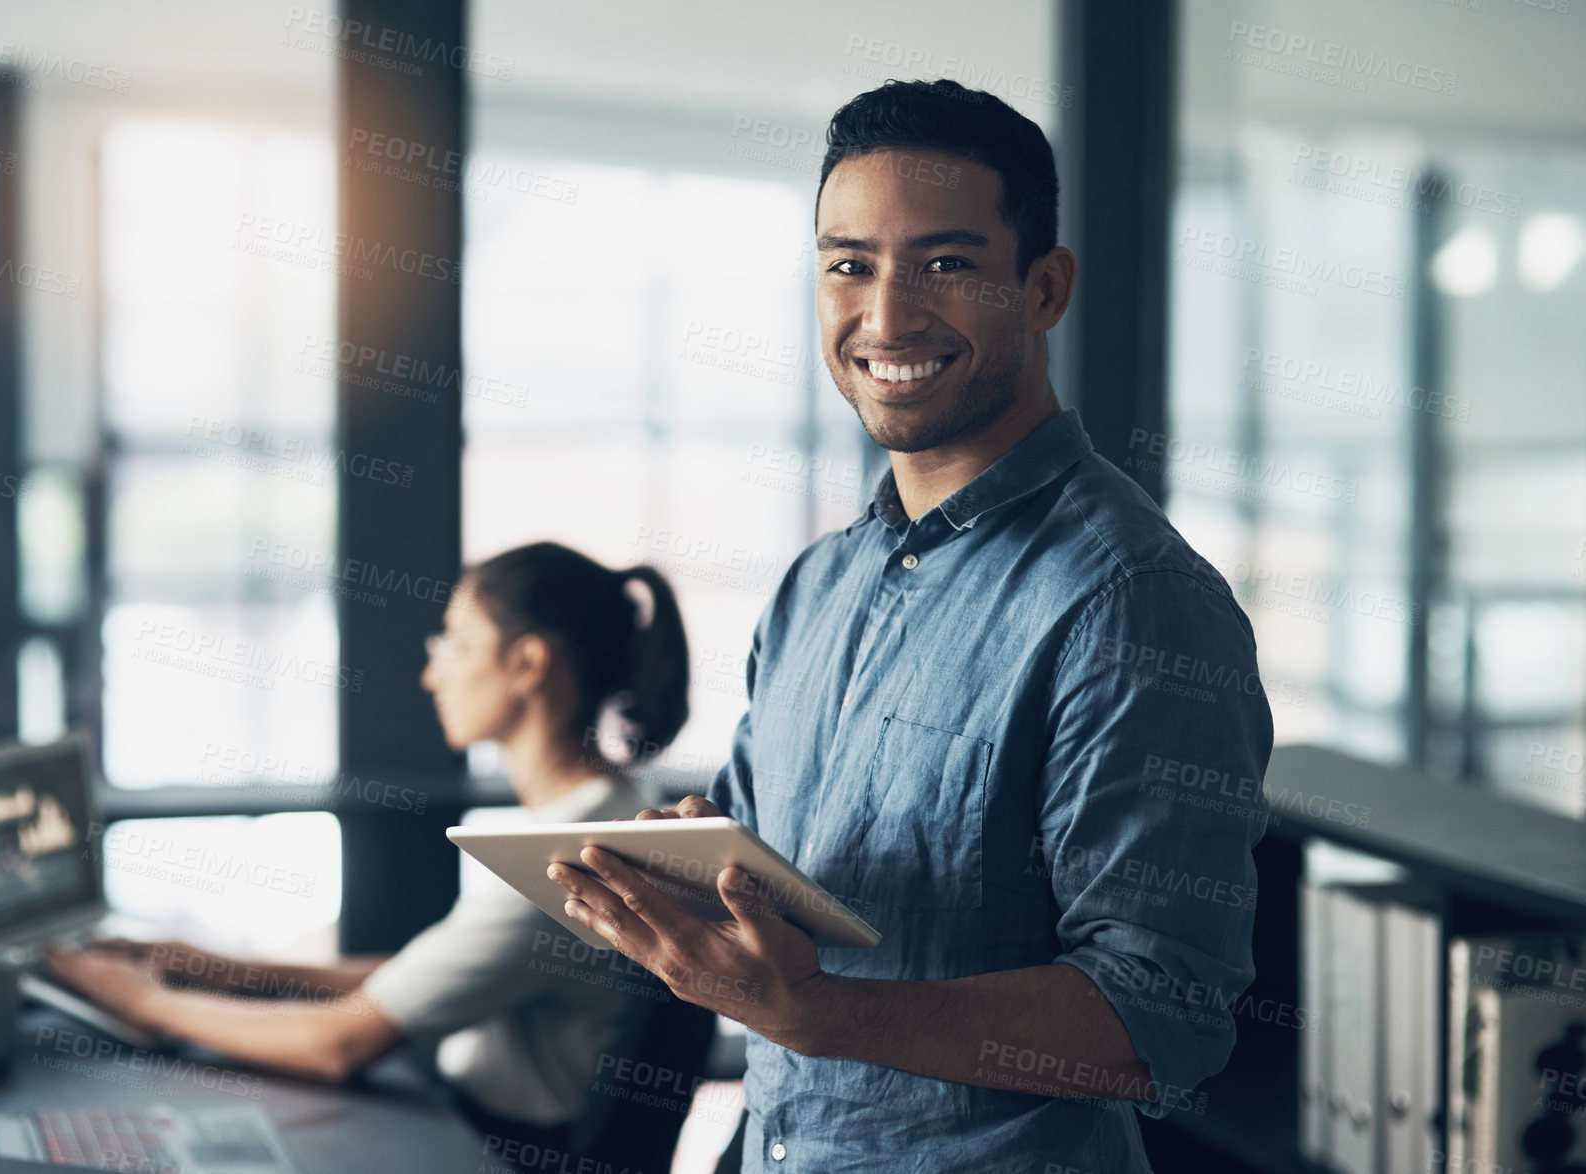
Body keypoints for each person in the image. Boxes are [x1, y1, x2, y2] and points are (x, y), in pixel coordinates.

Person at [546, 79, 1274, 1172]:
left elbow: (1159, 1020)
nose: (885, 318)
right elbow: (781, 878)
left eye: (944, 264)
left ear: (1042, 288)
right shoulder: (817, 585)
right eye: (850, 265)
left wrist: (816, 1011)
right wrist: (689, 879)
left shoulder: (1132, 600)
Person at [47, 542, 690, 1151]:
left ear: (528, 663)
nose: (431, 674)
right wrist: (206, 965)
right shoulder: (607, 807)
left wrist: (143, 1002)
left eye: (455, 645)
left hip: (501, 1149)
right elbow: (415, 977)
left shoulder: (570, 852)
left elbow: (338, 1045)